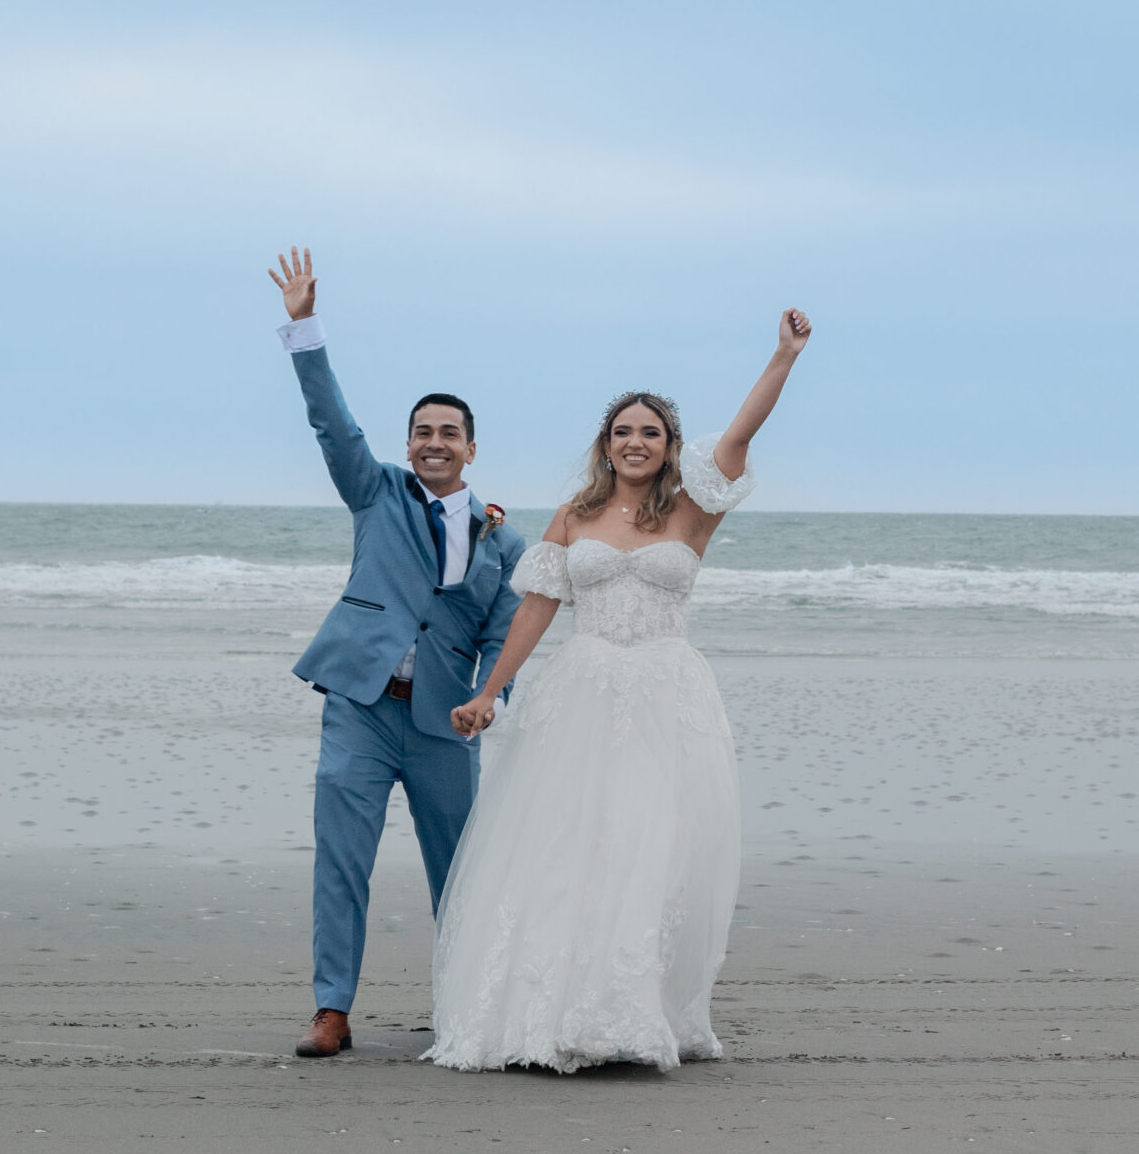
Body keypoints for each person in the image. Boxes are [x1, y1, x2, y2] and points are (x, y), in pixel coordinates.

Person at [428, 308, 811, 1073]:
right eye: (622, 432)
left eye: (650, 433)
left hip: (667, 697)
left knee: (650, 848)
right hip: (583, 694)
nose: (635, 442)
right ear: (605, 445)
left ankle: (630, 1010)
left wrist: (783, 356)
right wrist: (488, 692)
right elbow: (535, 611)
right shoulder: (574, 516)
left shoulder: (694, 511)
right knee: (569, 846)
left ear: (669, 447)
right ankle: (551, 1010)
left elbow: (740, 435)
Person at [269, 247, 525, 1057]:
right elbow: (330, 422)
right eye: (422, 432)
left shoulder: (503, 540)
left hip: (446, 721)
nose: (433, 443)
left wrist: (489, 698)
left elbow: (502, 634)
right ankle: (331, 1009)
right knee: (341, 861)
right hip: (360, 706)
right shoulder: (374, 490)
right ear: (407, 443)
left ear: (471, 448)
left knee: (460, 870)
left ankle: (466, 1005)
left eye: (448, 433)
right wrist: (304, 327)